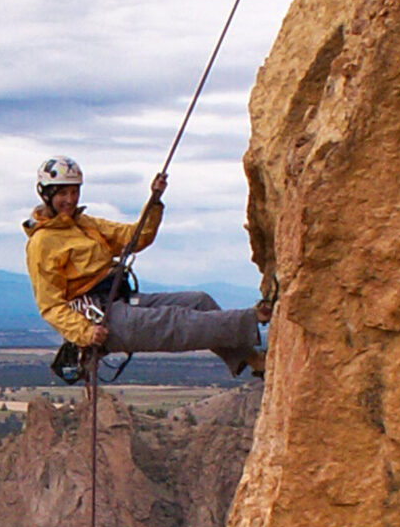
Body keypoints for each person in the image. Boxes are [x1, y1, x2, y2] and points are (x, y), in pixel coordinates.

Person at [23, 156, 269, 377]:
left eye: (74, 192)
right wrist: (85, 334)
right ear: (47, 194)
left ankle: (250, 359)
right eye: (62, 194)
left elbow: (135, 237)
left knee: (199, 301)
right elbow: (50, 306)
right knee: (174, 320)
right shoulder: (42, 242)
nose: (70, 200)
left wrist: (154, 201)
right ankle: (253, 317)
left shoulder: (83, 224)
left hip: (118, 299)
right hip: (100, 317)